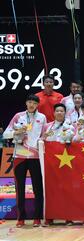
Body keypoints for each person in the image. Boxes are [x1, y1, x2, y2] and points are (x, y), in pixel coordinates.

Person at [3, 95, 47, 228]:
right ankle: (20, 218)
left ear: (37, 104)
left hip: (35, 156)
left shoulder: (42, 117)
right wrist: (16, 131)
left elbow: (44, 134)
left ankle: (37, 217)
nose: (32, 105)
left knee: (38, 188)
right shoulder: (18, 116)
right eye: (29, 102)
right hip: (20, 156)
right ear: (26, 103)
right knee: (20, 187)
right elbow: (6, 134)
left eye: (34, 103)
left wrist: (42, 141)